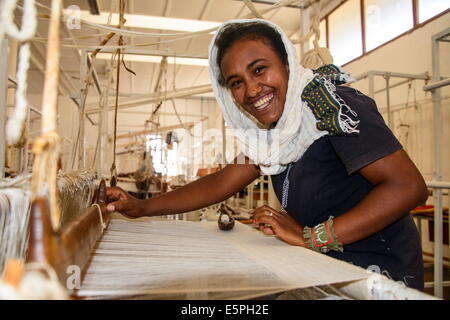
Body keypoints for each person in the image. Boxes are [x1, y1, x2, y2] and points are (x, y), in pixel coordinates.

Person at [105, 19, 428, 291]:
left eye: (259, 70)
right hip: (323, 262)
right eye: (236, 82)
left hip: (376, 268)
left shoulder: (332, 106)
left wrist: (311, 237)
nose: (251, 90)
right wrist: (141, 207)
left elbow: (406, 187)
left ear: (287, 64)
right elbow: (222, 182)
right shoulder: (274, 132)